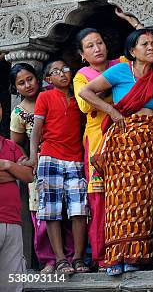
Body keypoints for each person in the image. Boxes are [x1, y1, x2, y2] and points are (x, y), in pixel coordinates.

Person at [78, 29, 153, 275]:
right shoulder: (121, 71)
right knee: (119, 200)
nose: (151, 48)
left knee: (143, 200)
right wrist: (112, 111)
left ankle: (136, 256)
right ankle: (115, 258)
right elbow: (86, 92)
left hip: (147, 144)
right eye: (144, 44)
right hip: (122, 142)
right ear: (132, 51)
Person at [72, 9, 141, 267]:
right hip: (98, 141)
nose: (97, 48)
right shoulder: (82, 77)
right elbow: (83, 104)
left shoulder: (121, 63)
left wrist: (132, 21)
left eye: (99, 42)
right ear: (82, 55)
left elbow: (143, 47)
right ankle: (101, 256)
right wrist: (110, 94)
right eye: (90, 46)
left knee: (125, 194)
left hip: (125, 137)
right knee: (100, 199)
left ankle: (126, 251)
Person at [9, 63, 74, 273]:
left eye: (30, 79)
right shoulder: (19, 112)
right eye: (21, 83)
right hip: (40, 164)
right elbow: (16, 142)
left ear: (39, 78)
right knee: (42, 212)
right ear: (15, 88)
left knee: (67, 209)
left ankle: (71, 257)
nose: (28, 85)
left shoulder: (54, 95)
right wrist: (28, 159)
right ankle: (49, 260)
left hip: (67, 157)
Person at [25, 59, 88, 274]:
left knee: (79, 210)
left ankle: (78, 258)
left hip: (76, 158)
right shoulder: (45, 96)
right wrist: (34, 157)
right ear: (48, 79)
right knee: (52, 211)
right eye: (56, 71)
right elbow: (36, 130)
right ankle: (60, 259)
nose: (62, 74)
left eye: (66, 69)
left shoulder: (79, 97)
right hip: (50, 157)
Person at [0, 103, 34, 291]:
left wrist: (6, 164)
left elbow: (28, 176)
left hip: (13, 223)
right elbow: (21, 173)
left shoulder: (11, 146)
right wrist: (14, 171)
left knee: (12, 285)